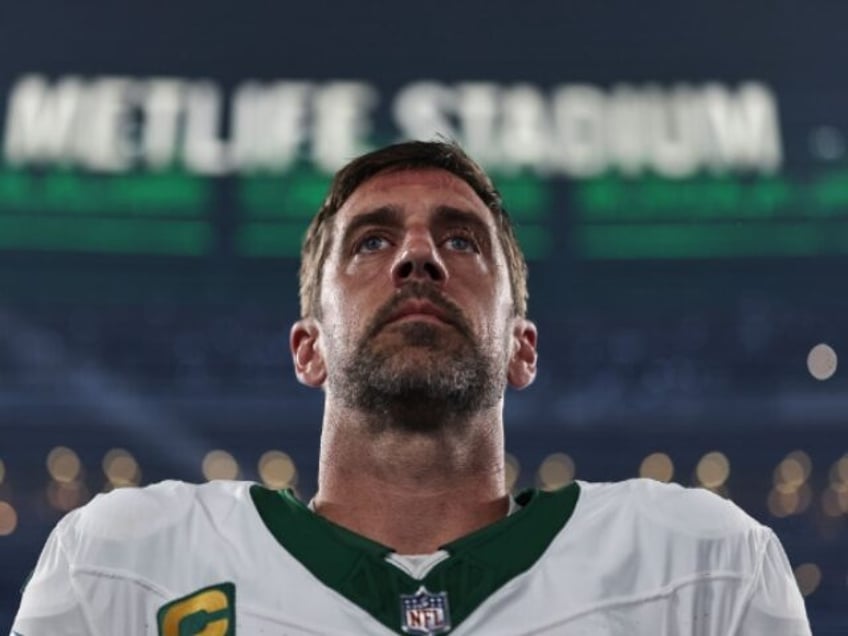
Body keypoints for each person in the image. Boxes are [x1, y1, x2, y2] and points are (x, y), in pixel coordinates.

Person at [12, 141, 811, 635]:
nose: (417, 257)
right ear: (308, 348)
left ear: (522, 350)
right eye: (371, 241)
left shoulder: (704, 567)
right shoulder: (120, 566)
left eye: (461, 239)